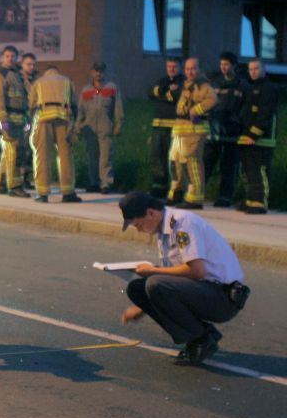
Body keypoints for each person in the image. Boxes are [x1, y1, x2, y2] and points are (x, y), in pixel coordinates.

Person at [118, 191, 247, 365]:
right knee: (137, 288)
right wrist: (142, 308)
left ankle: (201, 339)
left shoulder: (181, 223)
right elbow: (175, 280)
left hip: (222, 298)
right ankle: (200, 335)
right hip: (203, 291)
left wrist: (153, 271)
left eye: (139, 225)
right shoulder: (163, 230)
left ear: (151, 213)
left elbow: (197, 271)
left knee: (155, 282)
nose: (139, 230)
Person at [168, 57, 216, 209]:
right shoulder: (185, 85)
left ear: (199, 69)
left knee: (193, 165)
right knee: (175, 161)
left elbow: (212, 100)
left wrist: (196, 110)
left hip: (194, 131)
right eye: (188, 69)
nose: (190, 71)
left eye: (193, 68)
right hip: (181, 131)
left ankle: (195, 199)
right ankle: (177, 193)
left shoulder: (203, 85)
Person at [28, 65, 81, 203]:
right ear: (58, 71)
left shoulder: (38, 82)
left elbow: (32, 105)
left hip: (43, 118)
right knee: (65, 156)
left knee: (42, 156)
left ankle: (43, 193)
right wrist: (74, 124)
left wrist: (31, 125)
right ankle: (68, 192)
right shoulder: (66, 81)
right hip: (63, 118)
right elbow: (74, 104)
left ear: (46, 72)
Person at [237, 59, 279, 214]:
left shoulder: (268, 88)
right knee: (248, 171)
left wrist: (254, 134)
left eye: (256, 68)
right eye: (250, 69)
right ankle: (251, 200)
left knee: (259, 171)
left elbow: (265, 115)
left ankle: (260, 203)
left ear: (264, 69)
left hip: (262, 139)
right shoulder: (251, 88)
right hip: (248, 137)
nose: (253, 71)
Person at [204, 52, 245, 207]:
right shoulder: (215, 83)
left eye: (226, 64)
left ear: (234, 65)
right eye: (221, 64)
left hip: (231, 133)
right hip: (213, 132)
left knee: (228, 167)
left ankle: (225, 197)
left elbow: (244, 109)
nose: (223, 67)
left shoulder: (242, 84)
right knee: (206, 163)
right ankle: (197, 193)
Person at [77, 62, 124, 194]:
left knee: (106, 156)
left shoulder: (112, 88)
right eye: (96, 71)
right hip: (89, 128)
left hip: (105, 127)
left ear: (105, 72)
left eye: (101, 71)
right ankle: (94, 183)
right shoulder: (86, 90)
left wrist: (118, 124)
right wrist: (78, 127)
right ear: (92, 72)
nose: (98, 74)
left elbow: (118, 108)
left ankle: (106, 183)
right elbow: (80, 111)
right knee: (92, 156)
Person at [0, 45, 30, 197]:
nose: (10, 59)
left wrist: (27, 119)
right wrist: (3, 122)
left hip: (19, 120)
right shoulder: (0, 75)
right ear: (3, 57)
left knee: (10, 152)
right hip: (8, 121)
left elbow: (24, 99)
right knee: (14, 153)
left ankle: (2, 183)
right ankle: (14, 186)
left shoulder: (17, 76)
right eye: (7, 56)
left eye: (13, 56)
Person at [148, 59, 184, 198]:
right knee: (157, 157)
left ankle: (176, 189)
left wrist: (163, 94)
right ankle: (159, 187)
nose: (171, 69)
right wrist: (166, 92)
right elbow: (151, 92)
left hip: (174, 127)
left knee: (174, 160)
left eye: (175, 66)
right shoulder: (162, 80)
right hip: (158, 127)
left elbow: (176, 96)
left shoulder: (183, 82)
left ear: (180, 67)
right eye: (169, 66)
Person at [18, 53, 38, 189]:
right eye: (28, 64)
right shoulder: (17, 79)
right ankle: (17, 179)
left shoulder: (36, 80)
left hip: (33, 118)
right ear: (22, 64)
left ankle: (25, 178)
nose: (31, 67)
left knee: (30, 150)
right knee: (20, 148)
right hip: (21, 118)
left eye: (33, 64)